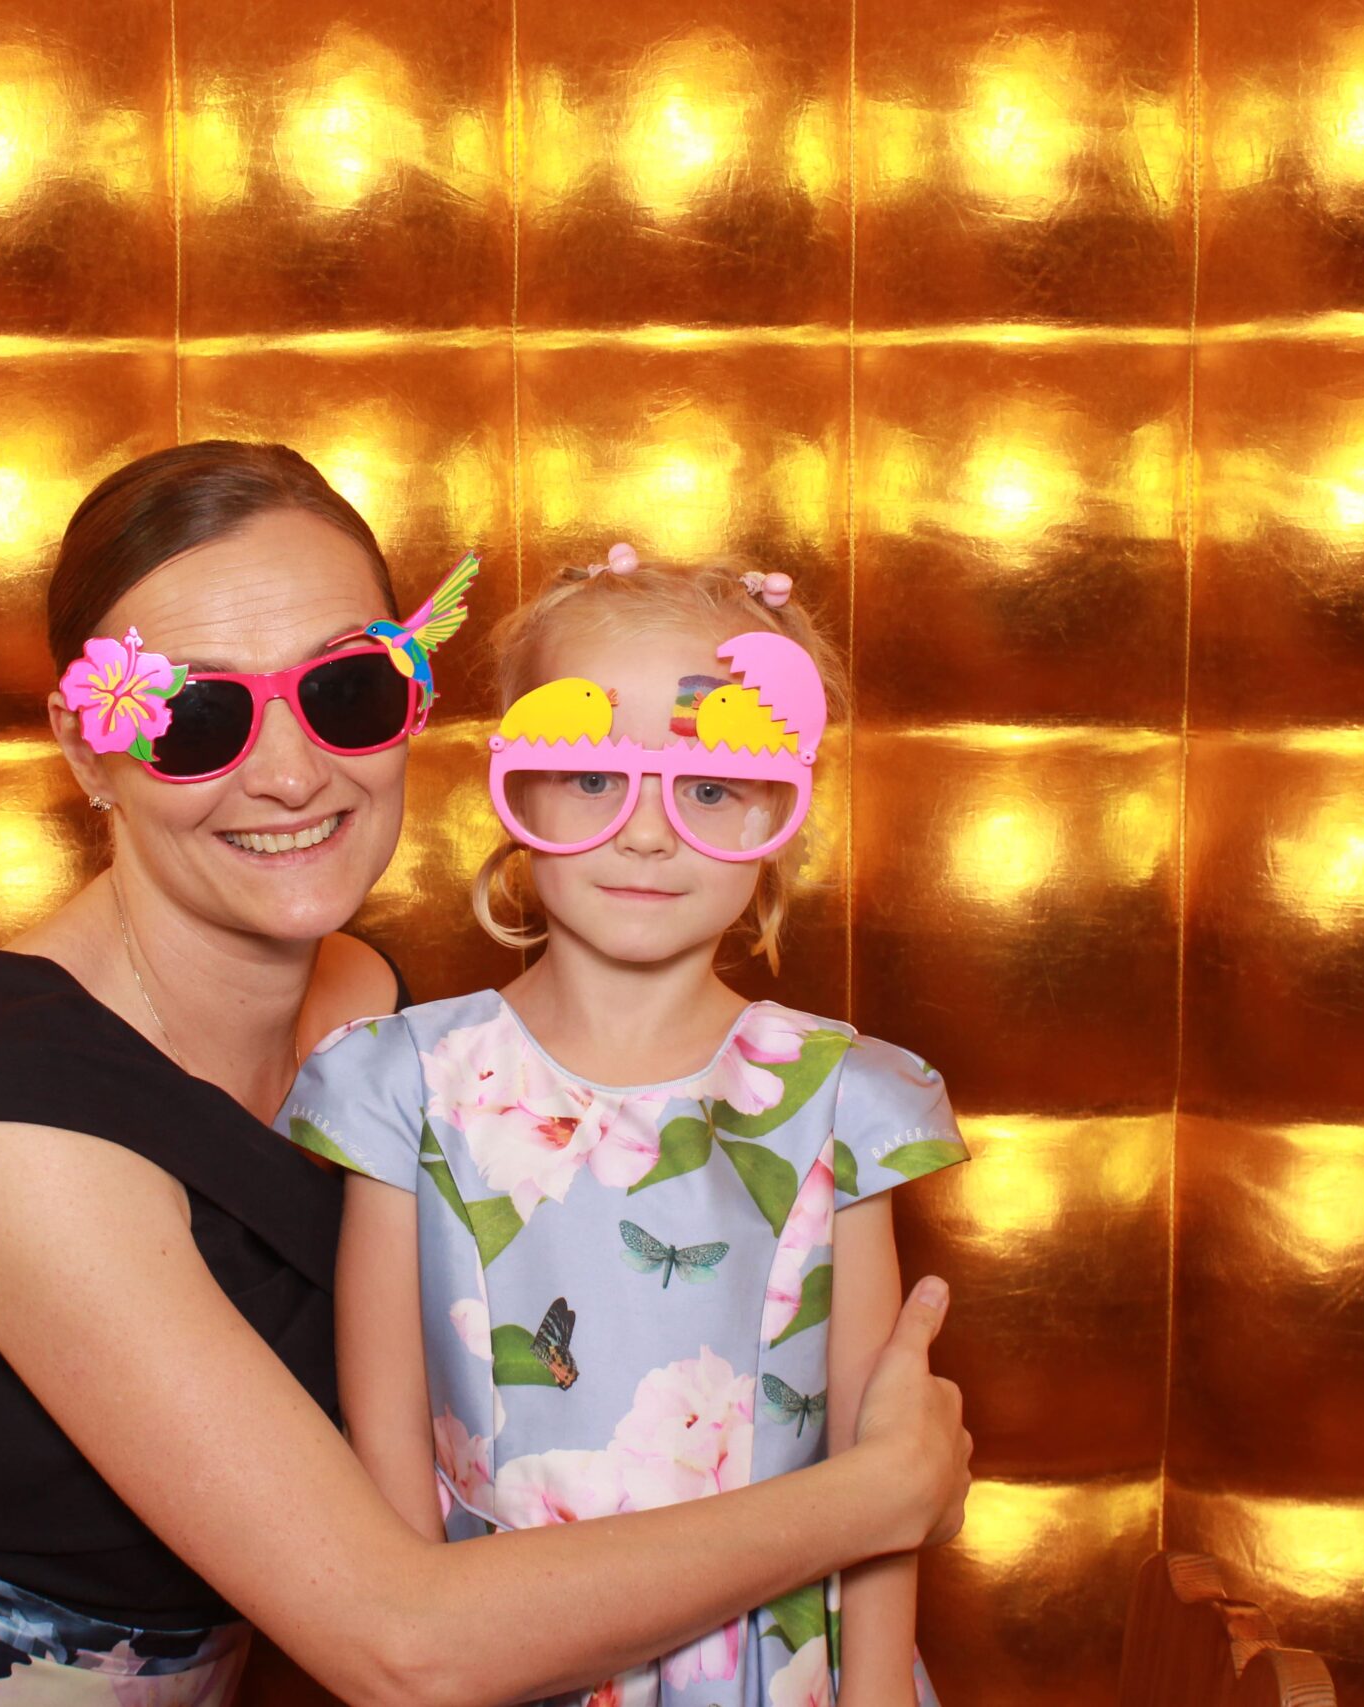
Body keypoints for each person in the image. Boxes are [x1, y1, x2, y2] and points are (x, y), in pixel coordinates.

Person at [0, 445, 972, 1707]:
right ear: (90, 748)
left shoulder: (380, 1023)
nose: (287, 773)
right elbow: (401, 1636)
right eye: (198, 716)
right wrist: (874, 1493)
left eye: (343, 693)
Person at [283, 548, 967, 1706]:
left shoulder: (843, 1098)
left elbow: (881, 1467)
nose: (647, 832)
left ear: (780, 812)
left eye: (710, 786)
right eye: (592, 774)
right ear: (515, 790)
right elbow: (385, 1462)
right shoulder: (403, 1085)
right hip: (496, 1653)